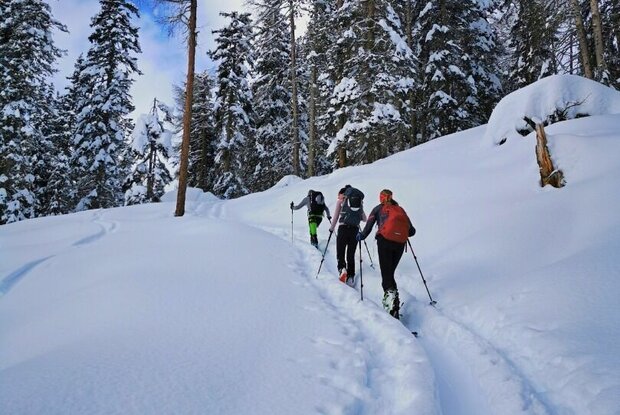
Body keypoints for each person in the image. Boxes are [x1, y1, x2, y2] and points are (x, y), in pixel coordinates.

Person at [357, 189, 415, 319]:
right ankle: (394, 301)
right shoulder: (400, 209)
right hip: (400, 245)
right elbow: (412, 231)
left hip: (384, 242)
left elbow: (368, 226)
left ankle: (391, 302)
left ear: (381, 198)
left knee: (386, 274)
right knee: (390, 273)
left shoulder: (378, 209)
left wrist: (361, 236)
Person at [329, 185, 366, 287]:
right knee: (351, 254)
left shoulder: (341, 201)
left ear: (343, 193)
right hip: (355, 230)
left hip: (343, 228)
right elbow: (364, 219)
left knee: (340, 251)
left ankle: (342, 269)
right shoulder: (359, 202)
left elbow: (336, 217)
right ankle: (351, 276)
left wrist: (331, 229)